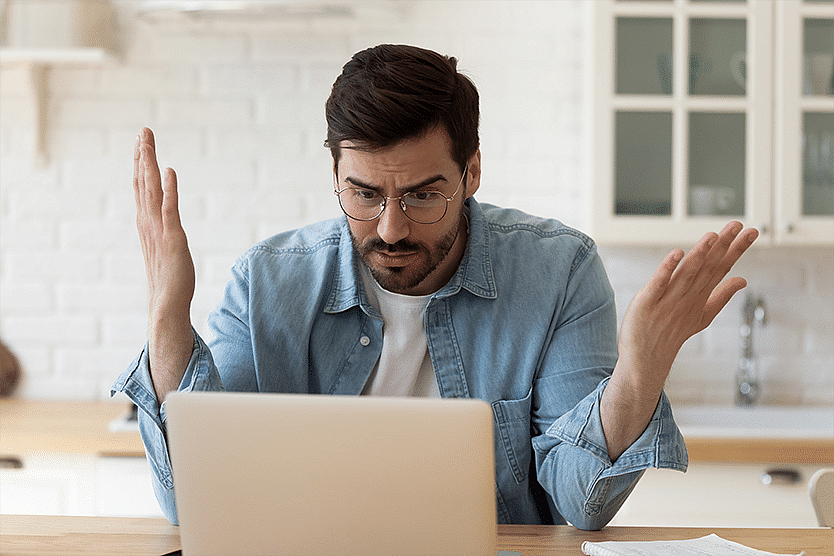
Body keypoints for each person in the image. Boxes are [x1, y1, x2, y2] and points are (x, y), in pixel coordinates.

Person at [112, 44, 758, 530]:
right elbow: (196, 501)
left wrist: (639, 373)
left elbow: (578, 501)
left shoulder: (559, 271)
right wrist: (168, 316)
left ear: (471, 171)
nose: (391, 228)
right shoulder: (268, 281)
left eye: (423, 195)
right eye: (363, 194)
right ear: (333, 173)